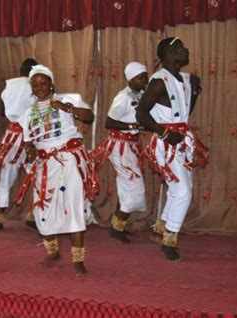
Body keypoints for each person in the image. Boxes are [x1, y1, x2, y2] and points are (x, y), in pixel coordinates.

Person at [16, 65, 99, 276]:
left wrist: (66, 108)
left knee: (73, 206)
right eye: (35, 84)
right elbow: (28, 142)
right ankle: (52, 252)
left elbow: (89, 117)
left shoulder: (67, 99)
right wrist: (30, 151)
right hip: (45, 166)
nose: (39, 87)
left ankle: (78, 259)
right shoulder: (28, 113)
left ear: (51, 83)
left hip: (68, 160)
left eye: (43, 83)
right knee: (41, 210)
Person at [136, 37, 209, 261]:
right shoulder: (158, 81)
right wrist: (165, 133)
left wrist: (194, 91)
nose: (186, 50)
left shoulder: (185, 79)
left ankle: (160, 230)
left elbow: (185, 112)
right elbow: (141, 114)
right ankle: (170, 237)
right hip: (165, 141)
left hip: (181, 139)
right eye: (180, 48)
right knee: (183, 192)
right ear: (167, 52)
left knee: (180, 190)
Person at [92, 62, 148, 244]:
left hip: (130, 145)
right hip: (120, 146)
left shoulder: (138, 95)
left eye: (145, 77)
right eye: (141, 78)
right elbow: (109, 122)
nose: (144, 81)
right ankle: (118, 225)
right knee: (135, 186)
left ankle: (117, 226)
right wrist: (132, 126)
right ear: (131, 79)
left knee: (127, 187)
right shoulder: (123, 97)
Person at [0, 58, 38, 231]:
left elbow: (1, 111)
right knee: (37, 175)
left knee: (6, 176)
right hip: (30, 136)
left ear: (20, 70)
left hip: (11, 135)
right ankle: (34, 215)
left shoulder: (9, 86)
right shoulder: (35, 86)